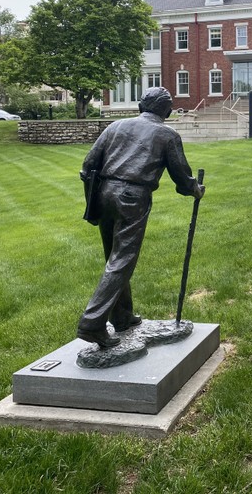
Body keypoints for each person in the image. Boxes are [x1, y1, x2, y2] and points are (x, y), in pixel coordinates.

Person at [77, 87, 204, 348]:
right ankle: (92, 323)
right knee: (122, 259)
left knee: (114, 257)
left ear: (141, 106)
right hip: (132, 198)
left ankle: (121, 317)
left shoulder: (115, 126)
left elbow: (87, 166)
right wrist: (195, 189)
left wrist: (93, 201)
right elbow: (181, 176)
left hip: (103, 193)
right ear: (167, 111)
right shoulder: (167, 134)